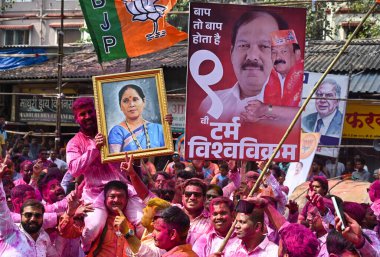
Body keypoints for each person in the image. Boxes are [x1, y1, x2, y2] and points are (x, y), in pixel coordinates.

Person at [66, 97, 146, 251]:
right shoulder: (75, 143)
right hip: (95, 194)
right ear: (77, 119)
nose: (88, 116)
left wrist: (164, 123)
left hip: (123, 190)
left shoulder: (115, 131)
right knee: (92, 228)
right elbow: (74, 169)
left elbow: (142, 135)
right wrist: (94, 148)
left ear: (97, 112)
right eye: (83, 114)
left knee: (144, 223)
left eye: (90, 112)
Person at [200, 10, 297, 122]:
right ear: (232, 53)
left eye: (265, 46)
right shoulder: (211, 103)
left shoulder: (291, 110)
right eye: (243, 45)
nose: (252, 56)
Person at [58, 180, 134, 257]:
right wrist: (70, 212)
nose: (116, 200)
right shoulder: (95, 219)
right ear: (105, 199)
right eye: (112, 196)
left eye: (120, 196)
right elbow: (66, 232)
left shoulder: (134, 222)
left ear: (127, 199)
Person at [0, 160, 58, 256]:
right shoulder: (10, 231)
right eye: (28, 215)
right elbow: (1, 208)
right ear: (21, 215)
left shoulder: (44, 238)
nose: (33, 219)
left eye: (37, 215)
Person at [108, 84, 165, 153]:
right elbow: (114, 161)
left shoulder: (159, 129)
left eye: (135, 99)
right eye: (126, 101)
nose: (131, 104)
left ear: (143, 102)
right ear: (120, 106)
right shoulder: (117, 132)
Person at [264, 29, 303, 107]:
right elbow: (270, 108)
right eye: (274, 52)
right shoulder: (267, 80)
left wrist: (265, 110)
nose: (278, 57)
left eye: (284, 51)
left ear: (297, 54)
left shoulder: (305, 79)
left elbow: (302, 114)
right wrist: (265, 111)